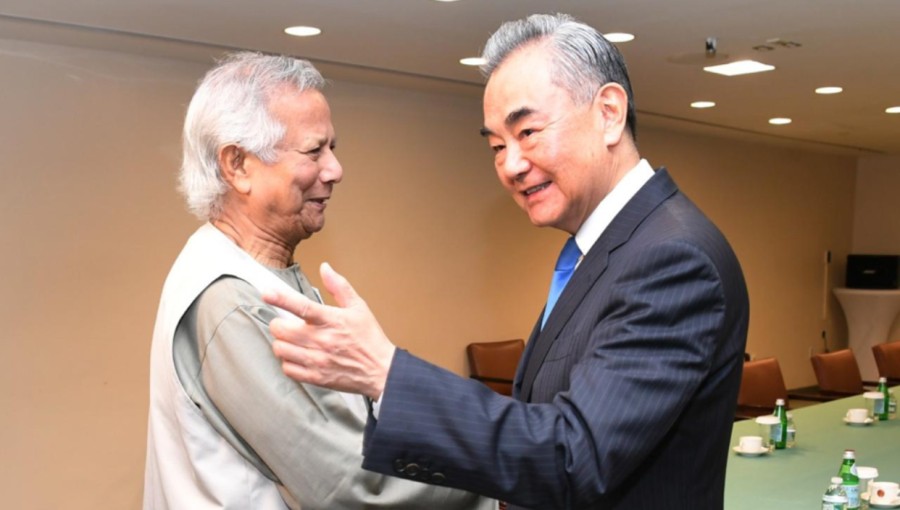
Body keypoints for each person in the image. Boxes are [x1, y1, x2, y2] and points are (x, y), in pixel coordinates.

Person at [264, 13, 749, 510]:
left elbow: (573, 455)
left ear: (608, 112)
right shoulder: (609, 248)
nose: (510, 165)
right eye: (497, 145)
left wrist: (388, 374)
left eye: (528, 132)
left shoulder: (671, 258)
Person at [143, 51, 492, 510]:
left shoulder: (258, 271)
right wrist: (500, 482)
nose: (334, 170)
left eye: (333, 148)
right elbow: (350, 485)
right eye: (313, 151)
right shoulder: (231, 301)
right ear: (238, 165)